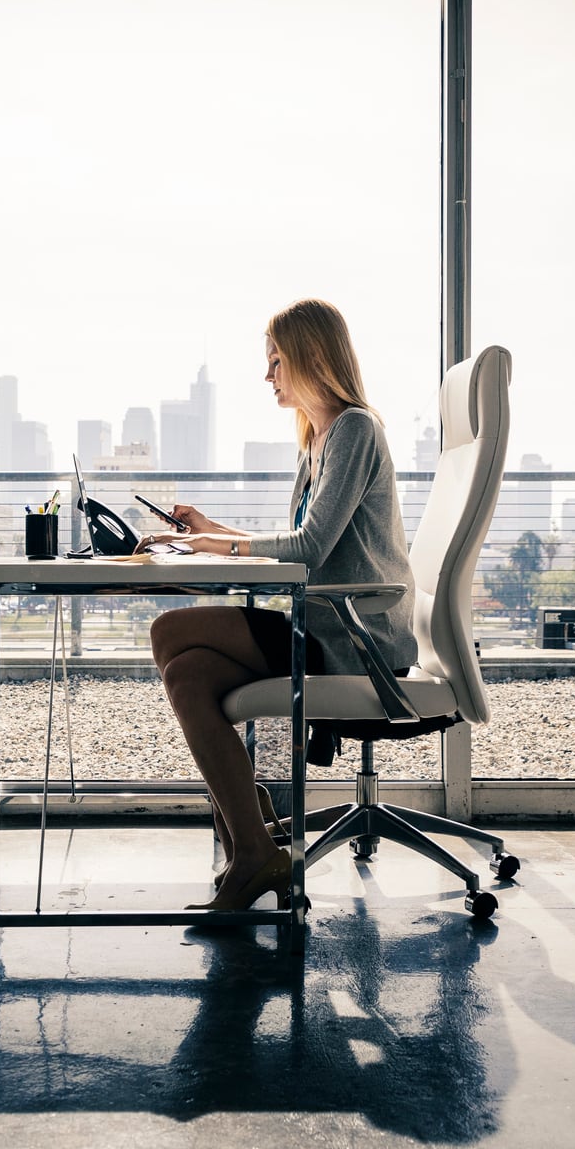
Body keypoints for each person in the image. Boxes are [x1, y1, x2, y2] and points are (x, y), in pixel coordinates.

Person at [139, 298, 416, 912]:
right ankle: (254, 842)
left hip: (354, 637)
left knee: (166, 633)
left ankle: (253, 837)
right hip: (320, 623)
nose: (268, 376)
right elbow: (298, 544)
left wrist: (209, 543)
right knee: (186, 670)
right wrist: (212, 529)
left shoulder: (355, 430)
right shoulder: (317, 439)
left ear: (311, 358)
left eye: (276, 361)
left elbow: (310, 547)